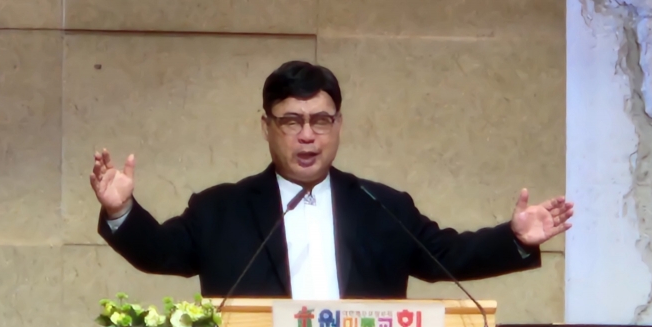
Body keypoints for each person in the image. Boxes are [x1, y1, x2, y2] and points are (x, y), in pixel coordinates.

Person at [90, 61, 574, 301]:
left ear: (339, 125)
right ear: (266, 127)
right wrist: (120, 211)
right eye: (291, 121)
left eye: (321, 121)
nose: (308, 136)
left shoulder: (382, 207)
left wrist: (514, 239)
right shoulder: (221, 209)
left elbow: (447, 256)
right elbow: (161, 252)